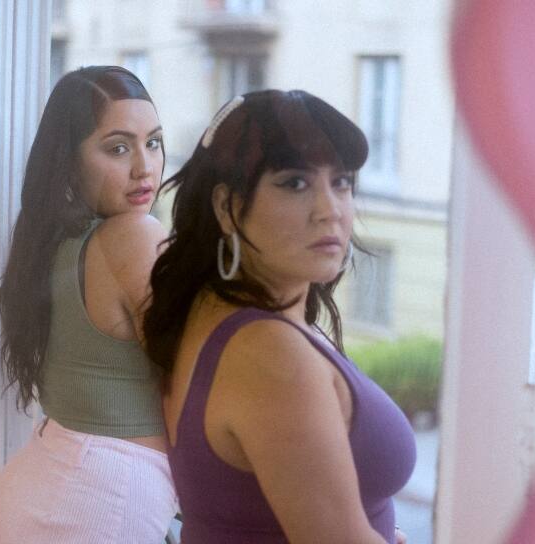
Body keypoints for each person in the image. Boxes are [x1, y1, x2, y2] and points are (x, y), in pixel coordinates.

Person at [143, 90, 416, 543]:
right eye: (294, 183)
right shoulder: (269, 355)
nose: (330, 210)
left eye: (342, 182)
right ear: (228, 207)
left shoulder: (213, 308)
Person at [0, 66, 175, 543]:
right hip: (102, 500)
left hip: (41, 481)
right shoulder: (135, 235)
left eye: (154, 142)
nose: (145, 167)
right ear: (70, 160)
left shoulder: (53, 242)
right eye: (118, 148)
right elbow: (198, 385)